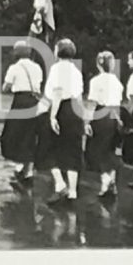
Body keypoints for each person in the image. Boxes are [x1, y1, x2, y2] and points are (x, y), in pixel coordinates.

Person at [41, 37, 88, 206]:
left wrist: (53, 116)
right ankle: (73, 192)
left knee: (51, 148)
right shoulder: (76, 71)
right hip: (75, 111)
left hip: (62, 109)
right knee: (73, 149)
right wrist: (85, 119)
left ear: (58, 52)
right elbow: (79, 97)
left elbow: (58, 93)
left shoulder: (56, 69)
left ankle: (60, 184)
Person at [0, 41, 46, 188]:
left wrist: (7, 86)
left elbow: (5, 87)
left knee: (15, 133)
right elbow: (38, 85)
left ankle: (19, 167)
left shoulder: (14, 68)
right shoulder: (37, 67)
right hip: (34, 101)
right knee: (30, 135)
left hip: (20, 101)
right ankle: (29, 172)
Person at [85, 50, 125, 200]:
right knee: (110, 150)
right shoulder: (117, 82)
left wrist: (87, 122)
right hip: (114, 116)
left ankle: (105, 183)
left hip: (101, 115)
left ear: (98, 64)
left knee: (99, 150)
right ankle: (111, 181)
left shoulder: (96, 81)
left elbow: (92, 103)